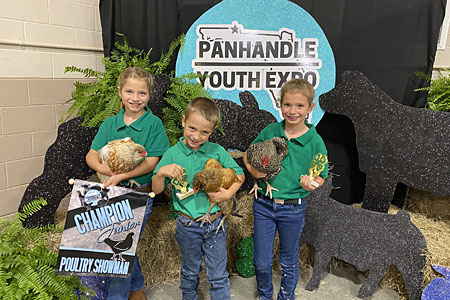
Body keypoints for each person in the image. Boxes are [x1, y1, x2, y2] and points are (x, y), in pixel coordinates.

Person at [86, 66, 170, 300]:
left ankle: (118, 297)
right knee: (122, 248)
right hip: (109, 195)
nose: (135, 98)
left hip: (138, 195)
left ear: (149, 96)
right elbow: (90, 155)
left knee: (119, 252)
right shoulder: (109, 125)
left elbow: (152, 161)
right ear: (120, 92)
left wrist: (121, 176)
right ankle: (137, 290)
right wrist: (105, 169)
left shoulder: (153, 125)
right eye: (130, 92)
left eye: (142, 93)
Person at [243, 78, 328, 300]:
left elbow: (319, 176)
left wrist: (312, 183)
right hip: (263, 204)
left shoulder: (315, 142)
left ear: (310, 107)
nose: (293, 111)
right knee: (261, 261)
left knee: (288, 260)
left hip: (293, 209)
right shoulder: (271, 130)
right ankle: (264, 295)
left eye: (299, 106)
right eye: (287, 105)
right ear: (280, 105)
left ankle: (286, 296)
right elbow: (247, 154)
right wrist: (254, 171)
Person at [152, 97, 245, 300]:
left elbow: (239, 175)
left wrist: (228, 193)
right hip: (187, 224)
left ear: (212, 132)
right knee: (190, 269)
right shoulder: (172, 154)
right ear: (184, 121)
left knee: (218, 274)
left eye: (205, 132)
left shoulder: (217, 151)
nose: (197, 136)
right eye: (193, 128)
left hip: (216, 223)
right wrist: (160, 173)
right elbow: (156, 189)